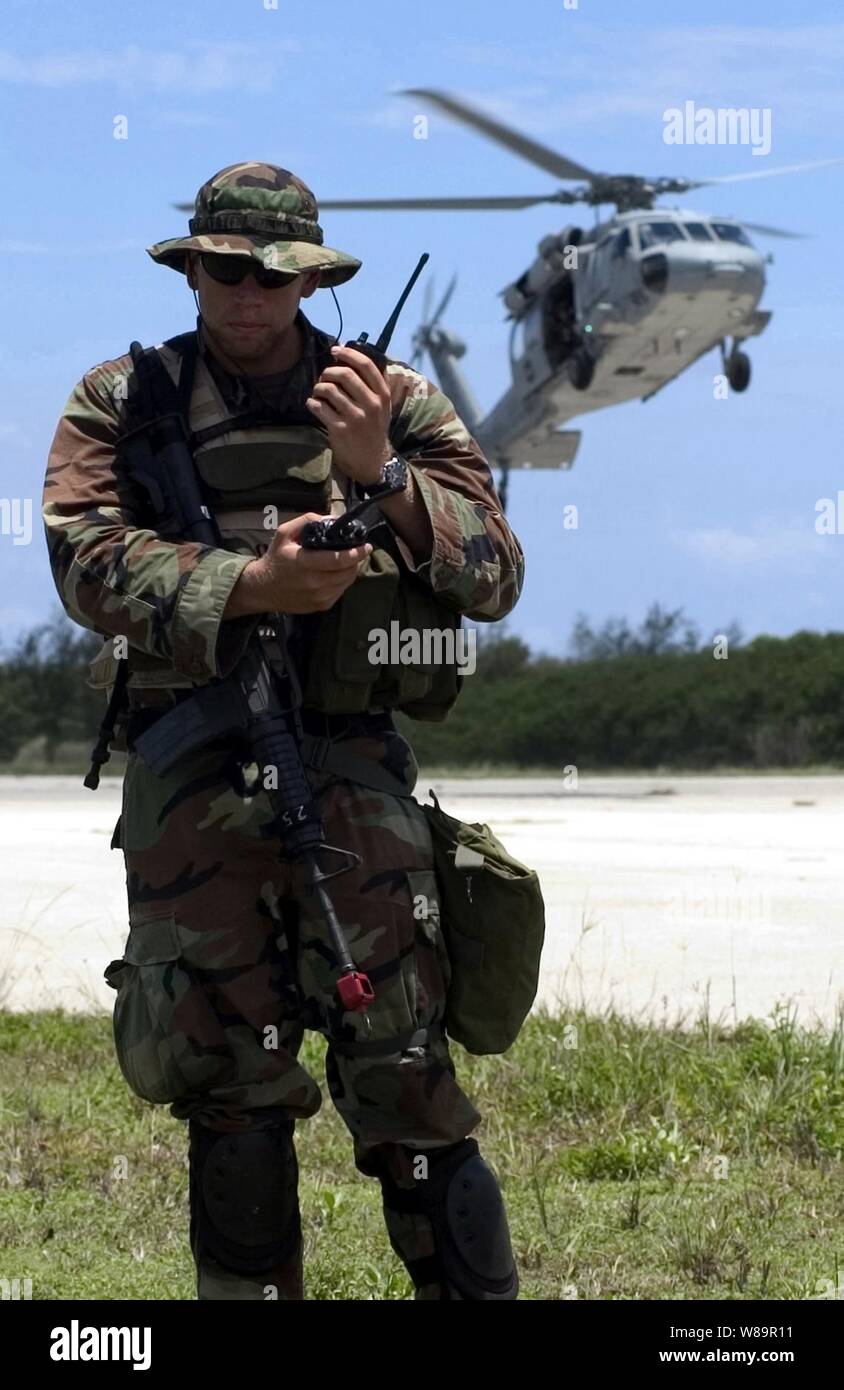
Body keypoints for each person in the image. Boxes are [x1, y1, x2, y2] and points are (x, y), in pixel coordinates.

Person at [43, 162, 525, 1301]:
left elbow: (496, 570)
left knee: (407, 1082)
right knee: (231, 1093)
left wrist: (385, 477)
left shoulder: (388, 397)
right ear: (192, 271)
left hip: (354, 773)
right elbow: (82, 557)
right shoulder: (125, 399)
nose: (249, 295)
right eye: (225, 271)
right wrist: (250, 583)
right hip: (193, 777)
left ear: (313, 278)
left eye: (275, 274)